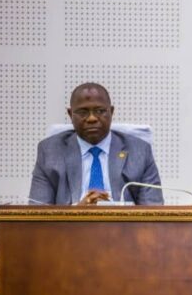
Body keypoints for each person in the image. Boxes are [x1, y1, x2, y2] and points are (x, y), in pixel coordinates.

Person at [29, 82, 164, 205]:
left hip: (124, 224)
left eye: (100, 111)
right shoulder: (50, 152)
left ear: (111, 112)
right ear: (70, 114)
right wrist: (77, 213)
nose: (92, 118)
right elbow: (38, 214)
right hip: (71, 224)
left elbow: (153, 212)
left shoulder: (139, 151)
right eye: (83, 112)